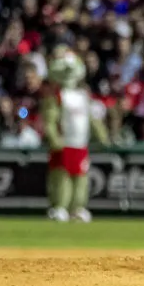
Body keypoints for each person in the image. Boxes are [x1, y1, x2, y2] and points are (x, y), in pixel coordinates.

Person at [42, 46, 109, 223]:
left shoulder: (82, 95)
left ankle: (77, 207)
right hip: (63, 142)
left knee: (80, 177)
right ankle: (60, 206)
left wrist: (102, 135)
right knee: (61, 176)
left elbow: (92, 119)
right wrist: (54, 137)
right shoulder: (56, 96)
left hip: (80, 143)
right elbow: (50, 120)